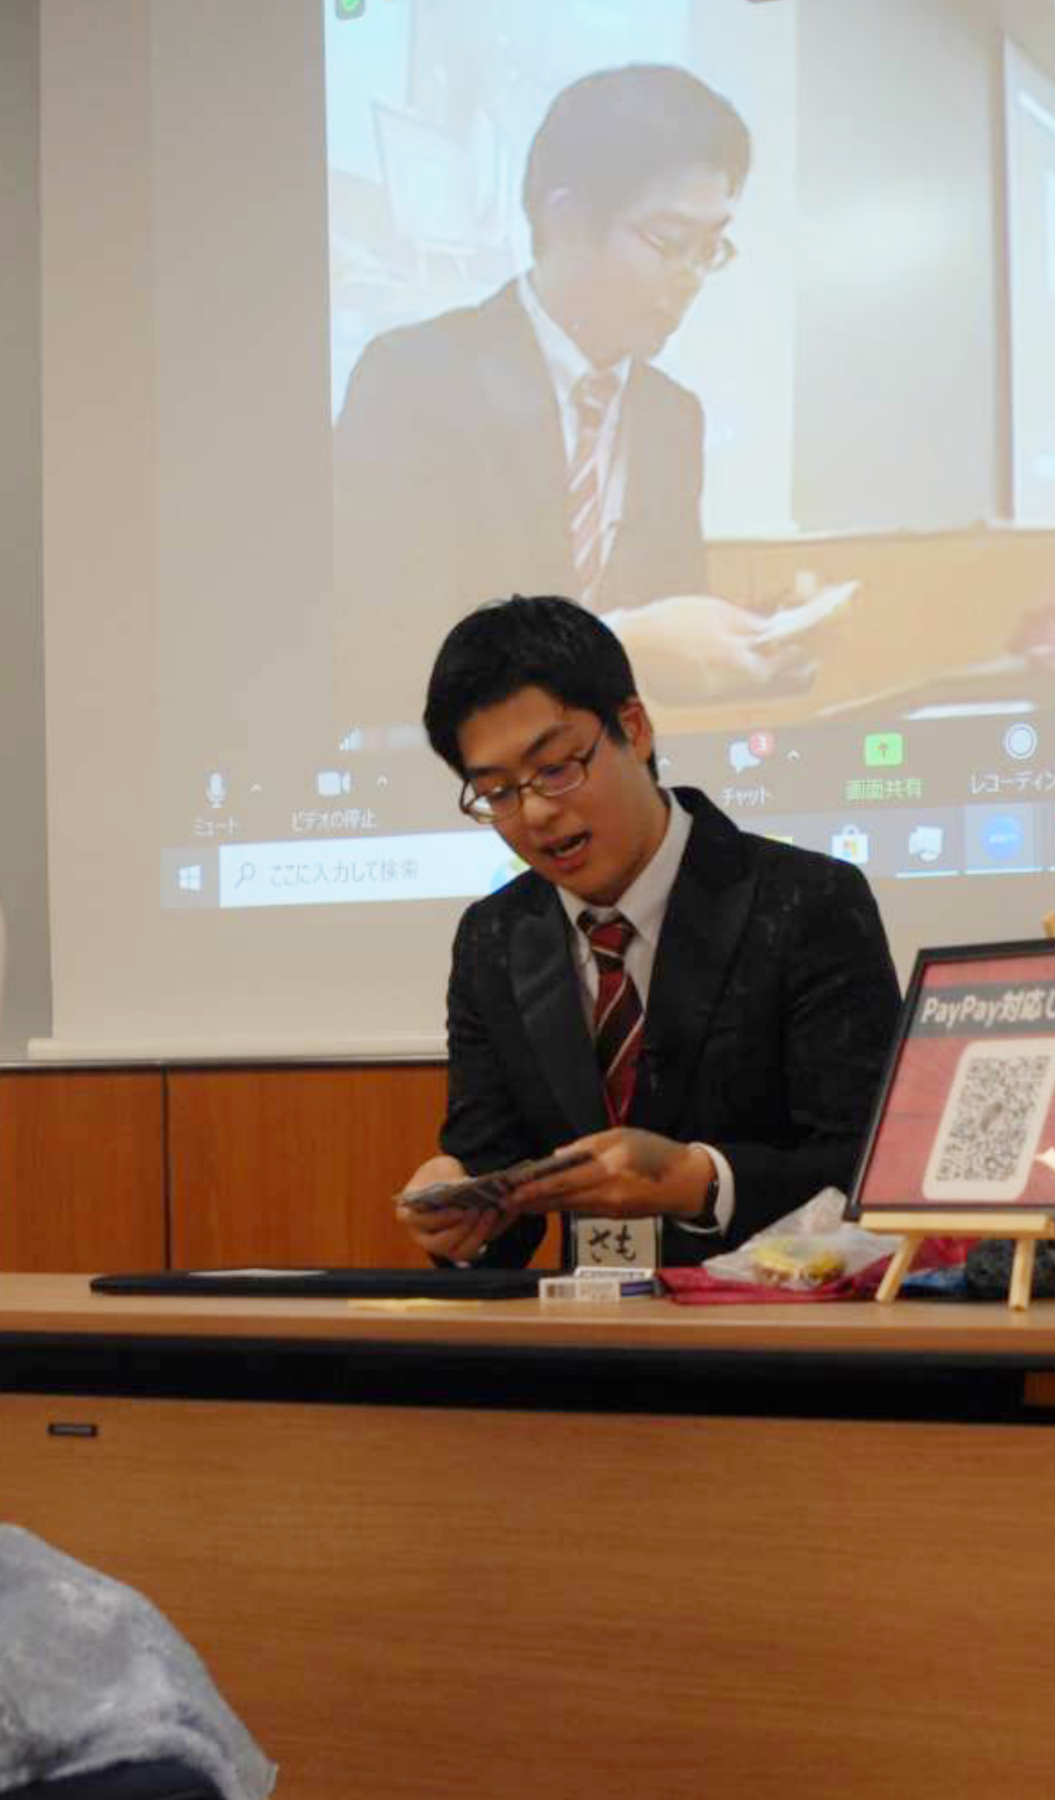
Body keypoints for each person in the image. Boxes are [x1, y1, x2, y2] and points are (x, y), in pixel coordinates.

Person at [396, 595, 902, 1269]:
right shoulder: (495, 937)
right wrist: (457, 1203)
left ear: (633, 728)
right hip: (590, 1347)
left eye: (555, 768)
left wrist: (696, 1181)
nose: (538, 812)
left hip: (783, 1341)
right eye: (498, 792)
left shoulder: (807, 901)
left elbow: (864, 1172)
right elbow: (501, 1207)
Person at [334, 64, 814, 726]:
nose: (692, 278)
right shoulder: (415, 378)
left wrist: (753, 644)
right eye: (669, 243)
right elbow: (387, 651)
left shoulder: (673, 416)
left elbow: (667, 650)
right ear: (563, 218)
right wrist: (616, 642)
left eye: (711, 248)